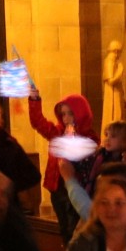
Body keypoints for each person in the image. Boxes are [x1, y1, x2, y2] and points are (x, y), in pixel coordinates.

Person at [26, 88, 98, 242]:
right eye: (63, 114)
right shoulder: (57, 132)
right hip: (57, 188)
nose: (66, 118)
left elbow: (85, 157)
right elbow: (38, 122)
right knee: (64, 229)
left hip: (75, 188)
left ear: (80, 113)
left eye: (70, 113)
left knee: (75, 229)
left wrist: (73, 140)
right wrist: (34, 100)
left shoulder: (90, 136)